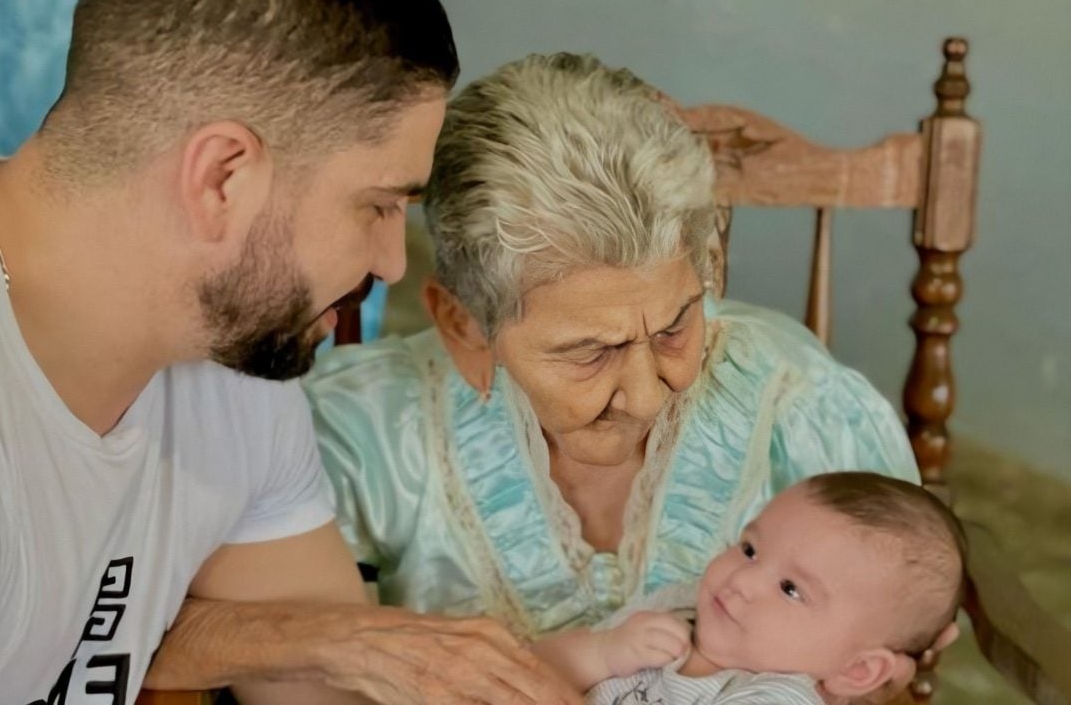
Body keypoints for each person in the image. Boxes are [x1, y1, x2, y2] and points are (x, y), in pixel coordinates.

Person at [0, 0, 579, 704]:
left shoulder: (233, 349)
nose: (393, 261)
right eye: (378, 205)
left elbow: (323, 681)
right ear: (222, 177)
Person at [304, 52, 924, 670]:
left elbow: (892, 642)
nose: (651, 395)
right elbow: (294, 656)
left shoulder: (800, 402)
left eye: (677, 325)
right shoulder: (376, 430)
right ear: (464, 324)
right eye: (590, 353)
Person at [532, 472, 965, 704]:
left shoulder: (774, 697)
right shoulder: (682, 607)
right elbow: (526, 670)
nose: (742, 580)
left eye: (791, 589)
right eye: (750, 548)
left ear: (856, 671)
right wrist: (600, 652)